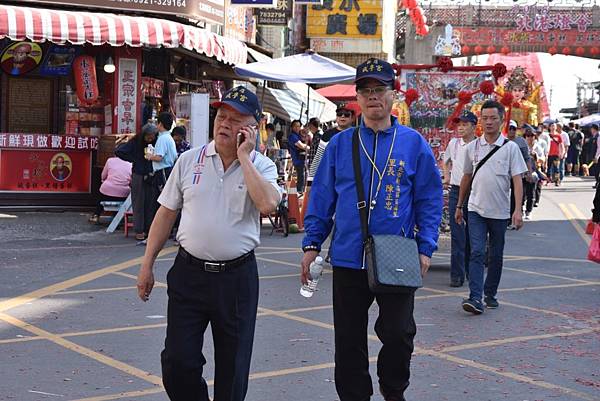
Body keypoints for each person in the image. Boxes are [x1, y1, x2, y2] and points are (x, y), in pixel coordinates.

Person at [301, 58, 442, 401]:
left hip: (397, 255)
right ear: (358, 98)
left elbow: (429, 198)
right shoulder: (339, 144)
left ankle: (394, 392)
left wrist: (425, 246)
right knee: (348, 340)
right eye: (365, 91)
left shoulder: (413, 143)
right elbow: (321, 198)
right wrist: (311, 244)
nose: (372, 97)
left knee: (398, 334)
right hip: (349, 256)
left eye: (379, 90)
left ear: (393, 95)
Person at [136, 86, 281, 401]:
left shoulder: (262, 167)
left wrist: (244, 158)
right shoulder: (190, 160)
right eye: (221, 115)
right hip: (189, 275)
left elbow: (268, 205)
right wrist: (147, 265)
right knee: (177, 362)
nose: (224, 124)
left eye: (235, 119)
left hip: (237, 280)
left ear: (252, 127)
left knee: (233, 370)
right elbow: (165, 213)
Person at [455, 100, 527, 315]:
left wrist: (517, 210)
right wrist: (460, 205)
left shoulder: (510, 148)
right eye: (484, 118)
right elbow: (466, 178)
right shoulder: (472, 148)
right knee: (476, 252)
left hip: (500, 211)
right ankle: (475, 298)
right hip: (475, 209)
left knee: (495, 255)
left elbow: (517, 180)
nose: (488, 122)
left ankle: (490, 294)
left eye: (493, 118)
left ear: (501, 120)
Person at [443, 110, 477, 287]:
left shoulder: (480, 145)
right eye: (459, 125)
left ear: (474, 126)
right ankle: (456, 275)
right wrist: (447, 176)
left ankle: (472, 272)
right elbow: (445, 160)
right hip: (456, 191)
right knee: (457, 235)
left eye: (465, 124)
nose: (461, 128)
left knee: (473, 234)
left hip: (475, 192)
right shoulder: (454, 143)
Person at [115, 123, 158, 241]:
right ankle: (139, 230)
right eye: (148, 136)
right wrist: (134, 159)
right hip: (138, 175)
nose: (150, 139)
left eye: (152, 136)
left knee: (150, 203)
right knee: (138, 203)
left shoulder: (157, 142)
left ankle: (149, 229)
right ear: (143, 135)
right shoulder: (135, 142)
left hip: (151, 175)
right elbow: (119, 151)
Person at [146, 112, 178, 216]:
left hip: (163, 171)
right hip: (167, 170)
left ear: (160, 124)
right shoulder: (168, 137)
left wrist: (149, 156)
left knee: (161, 201)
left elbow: (159, 157)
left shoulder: (163, 139)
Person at [89, 155, 132, 223]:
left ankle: (96, 215)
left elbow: (103, 176)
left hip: (107, 191)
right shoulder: (130, 163)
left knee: (102, 193)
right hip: (123, 193)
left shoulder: (110, 161)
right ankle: (116, 217)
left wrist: (104, 181)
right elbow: (131, 181)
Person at [507, 120, 531, 229]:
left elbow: (527, 158)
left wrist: (529, 172)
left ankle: (515, 215)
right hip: (504, 174)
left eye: (513, 129)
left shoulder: (521, 141)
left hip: (517, 173)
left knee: (515, 196)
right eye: (509, 128)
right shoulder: (502, 140)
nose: (511, 131)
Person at [287, 119, 309, 194]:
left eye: (299, 126)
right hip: (297, 159)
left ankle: (300, 191)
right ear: (292, 127)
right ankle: (299, 192)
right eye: (295, 126)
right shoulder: (292, 136)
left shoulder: (298, 135)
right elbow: (301, 146)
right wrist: (312, 148)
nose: (297, 128)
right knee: (301, 176)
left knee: (303, 176)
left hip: (302, 159)